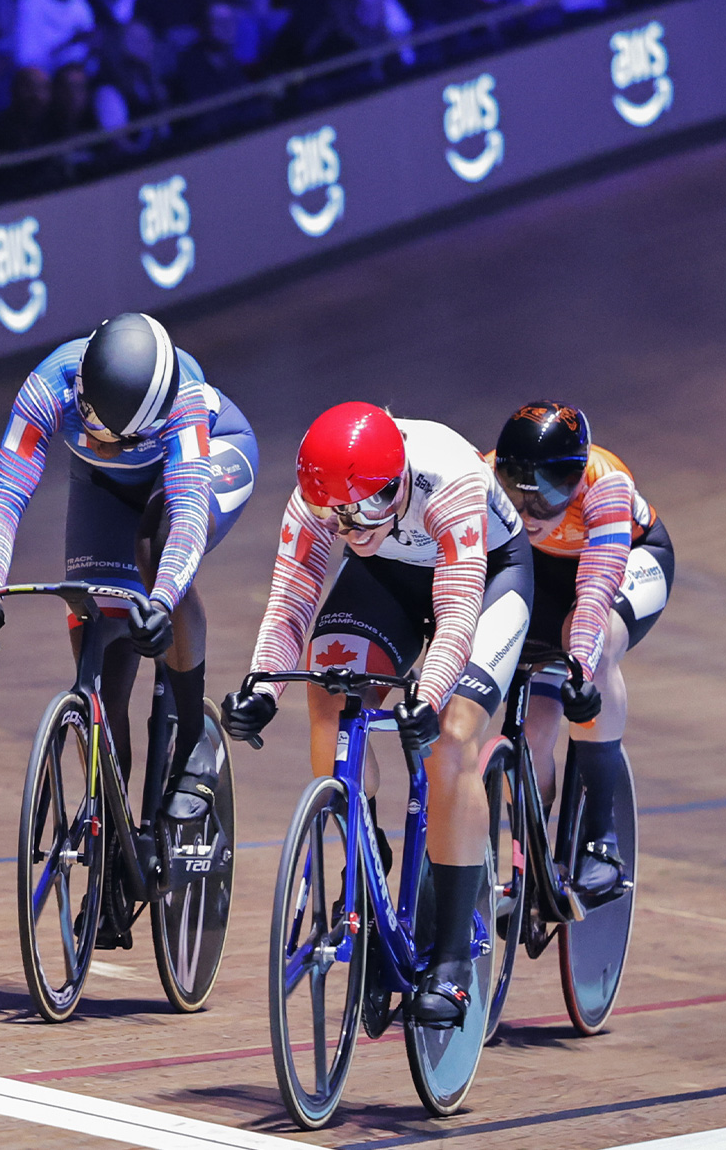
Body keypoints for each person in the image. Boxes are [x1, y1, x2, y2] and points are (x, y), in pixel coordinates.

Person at [223, 403, 531, 1029]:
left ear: (397, 482)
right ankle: (363, 857)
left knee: (451, 737)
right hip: (387, 579)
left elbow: (458, 609)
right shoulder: (321, 499)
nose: (352, 524)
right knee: (328, 695)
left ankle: (450, 961)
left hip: (489, 577)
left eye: (366, 508)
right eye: (339, 515)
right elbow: (289, 604)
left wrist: (430, 693)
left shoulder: (449, 476)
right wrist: (260, 688)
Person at [0, 315, 258, 834]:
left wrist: (162, 601)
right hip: (105, 489)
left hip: (211, 455)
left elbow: (187, 516)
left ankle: (193, 742)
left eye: (116, 436)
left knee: (157, 542)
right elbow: (6, 497)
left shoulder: (184, 400)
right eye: (91, 424)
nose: (98, 441)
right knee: (102, 663)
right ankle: (110, 837)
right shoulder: (51, 383)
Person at [487, 401, 673, 901]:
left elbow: (595, 589)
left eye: (546, 502)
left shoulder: (605, 484)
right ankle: (531, 861)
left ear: (574, 482)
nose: (527, 516)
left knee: (593, 637)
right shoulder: (480, 476)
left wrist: (582, 669)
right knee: (535, 729)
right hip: (543, 575)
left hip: (628, 560)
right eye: (515, 498)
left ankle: (601, 837)